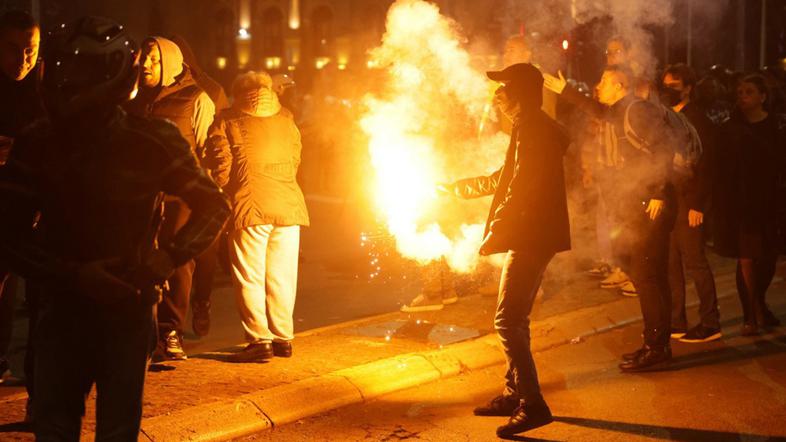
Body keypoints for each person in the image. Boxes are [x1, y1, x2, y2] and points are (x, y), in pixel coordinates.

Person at [0, 16, 229, 439]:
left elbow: (214, 205)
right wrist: (163, 260)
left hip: (86, 304)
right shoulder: (144, 139)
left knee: (62, 427)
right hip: (104, 302)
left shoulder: (46, 140)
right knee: (109, 428)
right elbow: (213, 206)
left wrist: (160, 260)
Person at [440, 63, 570, 437]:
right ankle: (514, 393)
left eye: (502, 88)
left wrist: (497, 230)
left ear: (520, 93)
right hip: (533, 233)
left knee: (507, 320)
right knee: (515, 319)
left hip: (532, 235)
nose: (495, 95)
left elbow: (520, 189)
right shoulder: (529, 125)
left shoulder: (533, 128)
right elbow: (505, 178)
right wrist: (457, 188)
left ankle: (533, 404)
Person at [545, 65, 677, 371]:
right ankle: (656, 343)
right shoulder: (620, 110)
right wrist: (565, 91)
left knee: (648, 276)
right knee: (641, 271)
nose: (598, 85)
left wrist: (658, 192)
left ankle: (656, 348)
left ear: (619, 85)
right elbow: (599, 112)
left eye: (604, 81)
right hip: (633, 203)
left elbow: (663, 149)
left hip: (649, 204)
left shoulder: (637, 111)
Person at [206, 71, 309, 363]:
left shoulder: (226, 120)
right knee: (282, 275)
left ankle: (258, 340)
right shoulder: (286, 118)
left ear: (239, 93)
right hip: (289, 204)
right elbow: (296, 158)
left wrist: (224, 188)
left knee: (250, 275)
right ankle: (283, 338)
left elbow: (221, 164)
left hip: (250, 204)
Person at [125, 36, 216, 360]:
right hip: (141, 196)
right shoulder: (132, 97)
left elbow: (207, 149)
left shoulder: (196, 99)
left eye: (153, 59)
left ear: (169, 61)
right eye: (143, 58)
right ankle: (142, 330)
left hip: (179, 198)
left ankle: (170, 329)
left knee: (177, 263)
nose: (145, 65)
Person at [714, 74, 785, 336]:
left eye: (749, 92)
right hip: (742, 202)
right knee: (746, 258)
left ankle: (760, 303)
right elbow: (722, 167)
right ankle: (750, 315)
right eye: (740, 92)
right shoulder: (731, 128)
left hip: (770, 201)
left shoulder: (776, 127)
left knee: (767, 258)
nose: (743, 97)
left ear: (763, 97)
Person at [169, 34, 230, 338]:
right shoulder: (149, 91)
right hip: (172, 188)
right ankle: (170, 322)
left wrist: (217, 179)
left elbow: (218, 138)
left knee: (204, 252)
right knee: (178, 256)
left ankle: (201, 303)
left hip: (203, 184)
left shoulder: (209, 91)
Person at [660, 63, 722, 342]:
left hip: (689, 201)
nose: (668, 91)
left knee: (695, 262)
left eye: (674, 86)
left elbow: (707, 165)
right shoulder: (667, 118)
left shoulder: (696, 119)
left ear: (688, 88)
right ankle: (677, 321)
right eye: (666, 85)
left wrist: (698, 204)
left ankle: (710, 322)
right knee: (671, 262)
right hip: (673, 198)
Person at [0, 10, 42, 420]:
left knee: (43, 304)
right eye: (14, 48)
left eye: (30, 48)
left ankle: (39, 392)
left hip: (38, 215)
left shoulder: (47, 89)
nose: (23, 58)